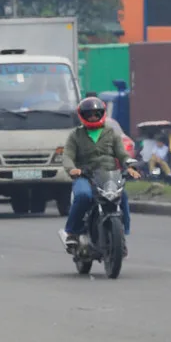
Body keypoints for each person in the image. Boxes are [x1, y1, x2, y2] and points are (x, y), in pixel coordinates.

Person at [62, 96, 140, 249]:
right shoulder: (75, 135)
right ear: (82, 116)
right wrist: (72, 169)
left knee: (122, 196)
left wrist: (130, 166)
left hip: (108, 175)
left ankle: (122, 232)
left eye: (96, 114)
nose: (92, 117)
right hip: (85, 176)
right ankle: (72, 232)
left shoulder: (111, 133)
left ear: (101, 114)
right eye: (89, 114)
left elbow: (122, 154)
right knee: (83, 196)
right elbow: (67, 156)